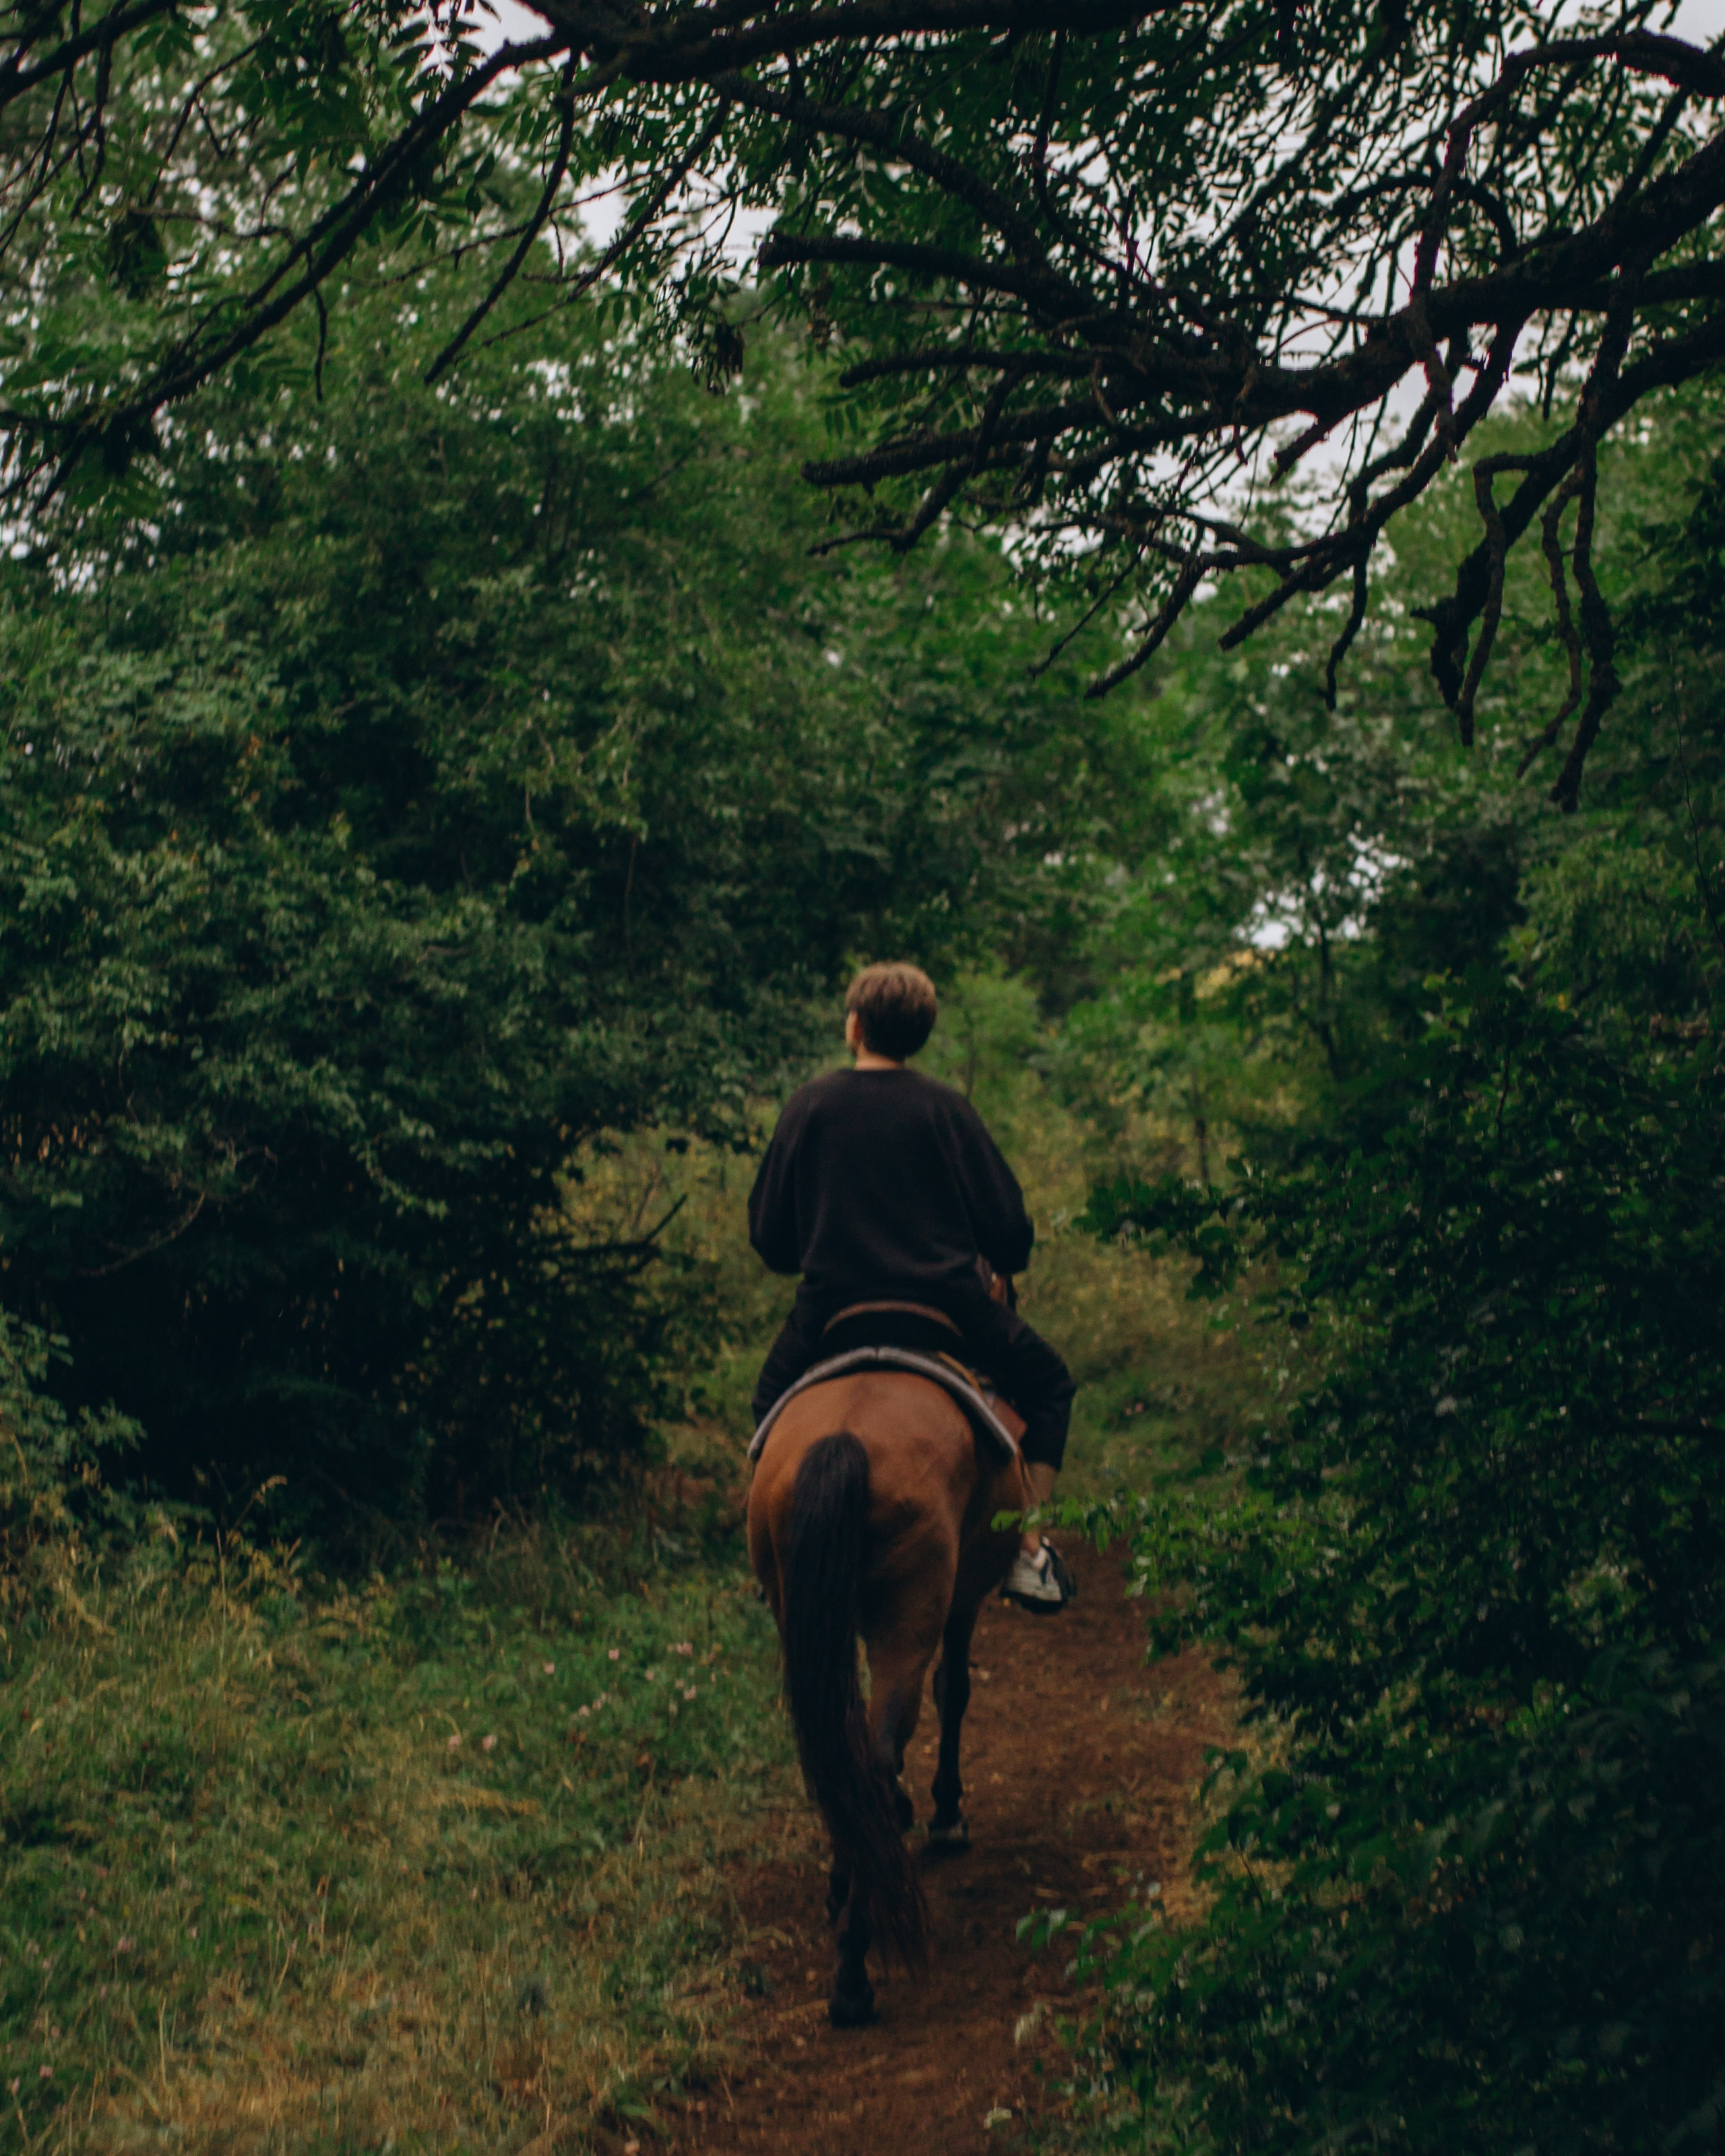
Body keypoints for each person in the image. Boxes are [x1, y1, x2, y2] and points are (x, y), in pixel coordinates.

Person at [747, 961, 1077, 1612]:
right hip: (947, 1313)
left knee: (767, 1409)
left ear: (855, 1027)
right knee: (1049, 1386)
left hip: (830, 1314)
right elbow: (1011, 1235)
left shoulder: (809, 1106)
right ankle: (1027, 1551)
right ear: (920, 1035)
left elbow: (770, 1239)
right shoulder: (947, 1110)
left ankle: (774, 1563)